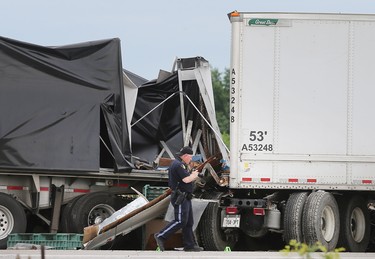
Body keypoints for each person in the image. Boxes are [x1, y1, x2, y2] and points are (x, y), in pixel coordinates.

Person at [154, 146, 204, 252]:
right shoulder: (178, 165)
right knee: (180, 221)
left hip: (185, 196)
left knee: (189, 222)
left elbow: (184, 177)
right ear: (185, 156)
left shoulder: (180, 164)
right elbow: (186, 180)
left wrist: (192, 173)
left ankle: (189, 245)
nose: (191, 159)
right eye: (190, 157)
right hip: (180, 196)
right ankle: (161, 236)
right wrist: (195, 175)